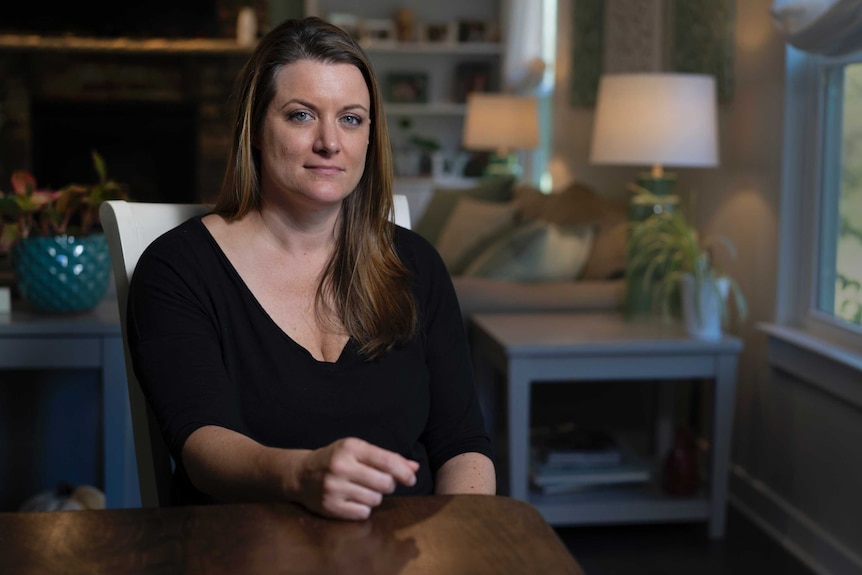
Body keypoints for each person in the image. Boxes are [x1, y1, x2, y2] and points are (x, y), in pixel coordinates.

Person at [126, 16, 496, 521]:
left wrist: (463, 540)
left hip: (408, 552)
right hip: (245, 549)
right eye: (301, 116)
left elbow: (462, 444)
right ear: (255, 129)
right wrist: (300, 476)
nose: (330, 142)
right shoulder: (177, 268)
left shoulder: (415, 264)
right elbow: (201, 445)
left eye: (351, 118)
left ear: (370, 135)